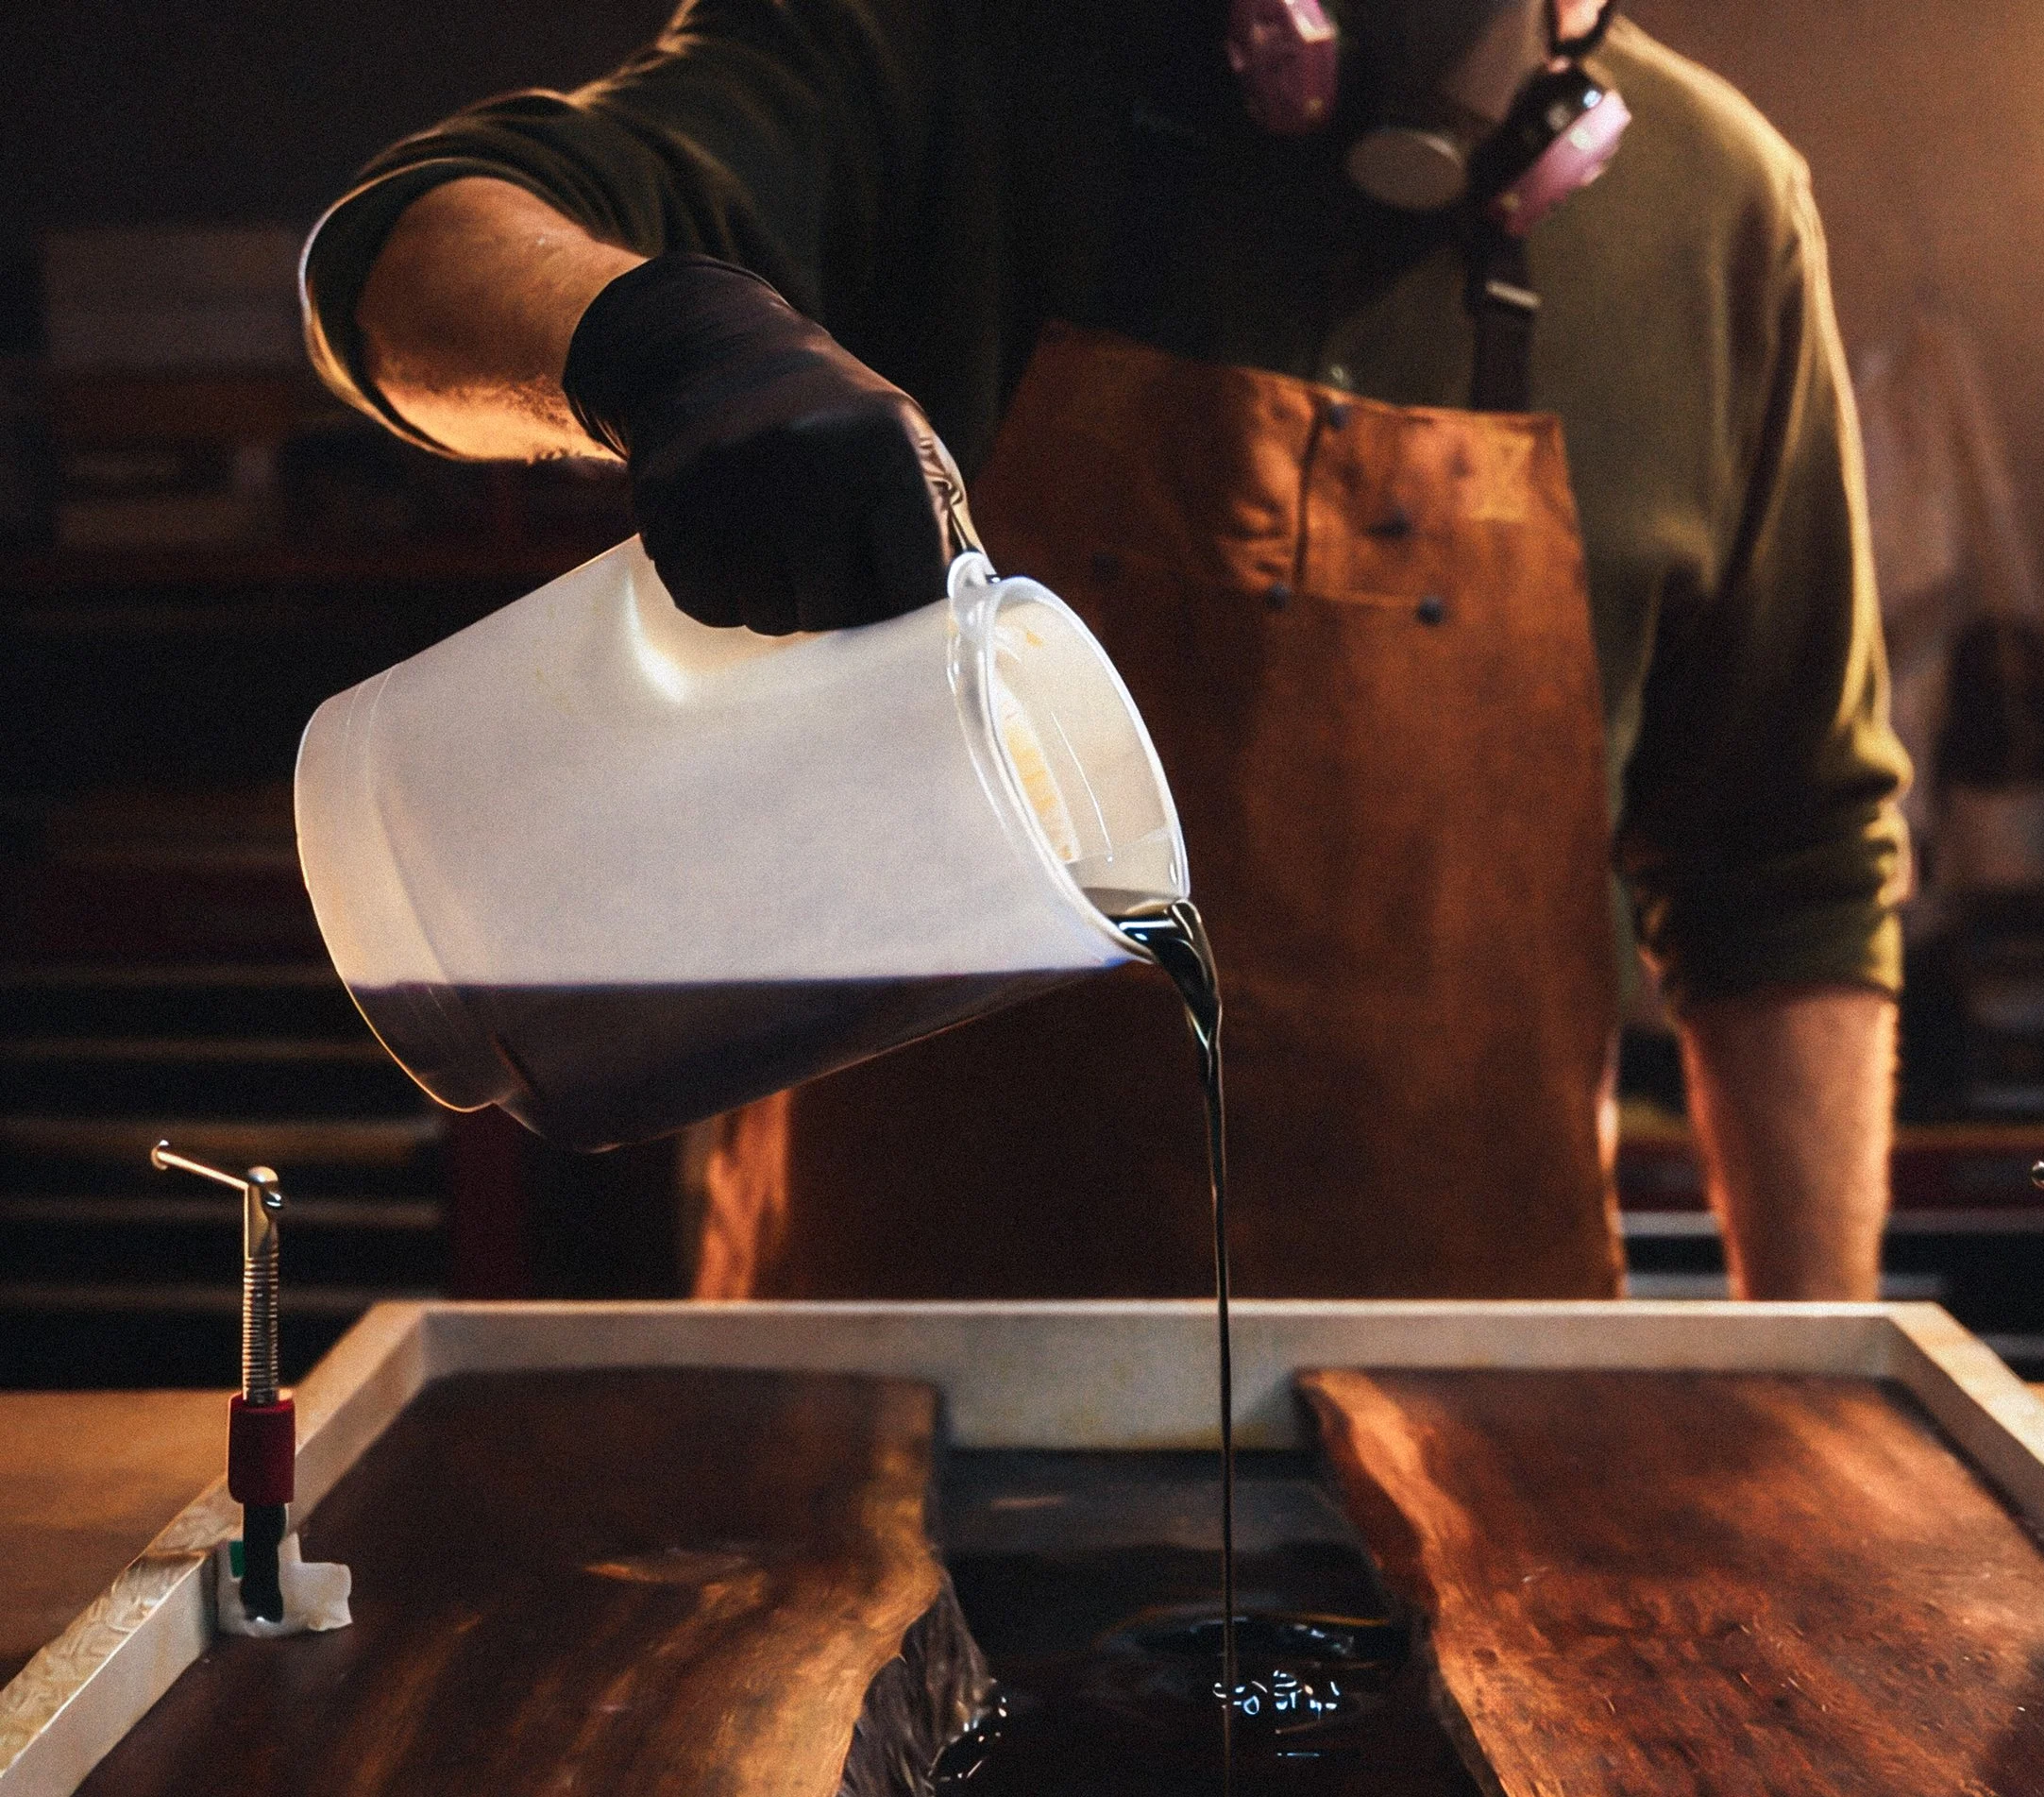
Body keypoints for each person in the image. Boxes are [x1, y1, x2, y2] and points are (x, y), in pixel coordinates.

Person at [303, 0, 1909, 1305]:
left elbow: (1789, 865)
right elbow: (402, 251)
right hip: (878, 1400)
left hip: (1492, 1412)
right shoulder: (933, 59)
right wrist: (659, 347)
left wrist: (1819, 1409)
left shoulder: (1720, 213)